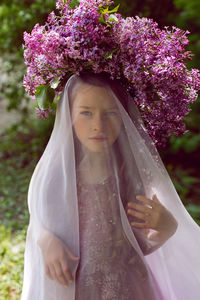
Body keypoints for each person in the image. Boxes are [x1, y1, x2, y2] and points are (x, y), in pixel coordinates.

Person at [21, 72, 200, 300]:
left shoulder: (130, 175)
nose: (98, 125)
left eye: (111, 113)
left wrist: (167, 228)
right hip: (73, 290)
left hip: (128, 288)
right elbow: (38, 216)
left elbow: (134, 247)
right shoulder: (55, 174)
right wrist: (44, 238)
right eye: (86, 112)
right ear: (68, 115)